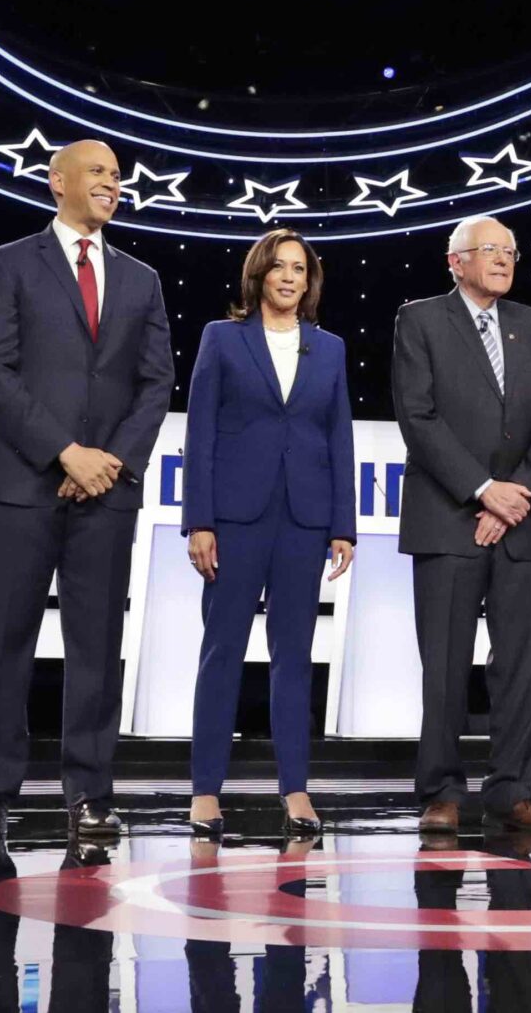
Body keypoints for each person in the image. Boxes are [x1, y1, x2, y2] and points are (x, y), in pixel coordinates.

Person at [0, 139, 175, 841]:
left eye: (117, 175)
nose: (112, 183)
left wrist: (109, 459)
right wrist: (65, 452)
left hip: (106, 491)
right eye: (98, 173)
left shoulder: (141, 279)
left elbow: (155, 383)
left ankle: (90, 794)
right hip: (24, 483)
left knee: (96, 642)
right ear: (58, 183)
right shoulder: (9, 263)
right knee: (4, 639)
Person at [391, 216, 531, 836]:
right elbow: (419, 417)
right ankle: (441, 790)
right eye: (489, 250)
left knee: (518, 662)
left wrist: (513, 498)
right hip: (448, 519)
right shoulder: (419, 320)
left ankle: (512, 791)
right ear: (455, 261)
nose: (503, 259)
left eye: (510, 251)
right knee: (444, 662)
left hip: (518, 522)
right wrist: (482, 492)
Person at [183, 229, 358, 838]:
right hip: (234, 518)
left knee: (294, 656)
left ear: (310, 283)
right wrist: (199, 521)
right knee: (222, 650)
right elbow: (199, 434)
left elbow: (339, 438)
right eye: (279, 267)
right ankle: (206, 790)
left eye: (300, 270)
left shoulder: (329, 349)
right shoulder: (222, 339)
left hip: (304, 521)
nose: (289, 277)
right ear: (258, 276)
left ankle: (297, 790)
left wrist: (343, 525)